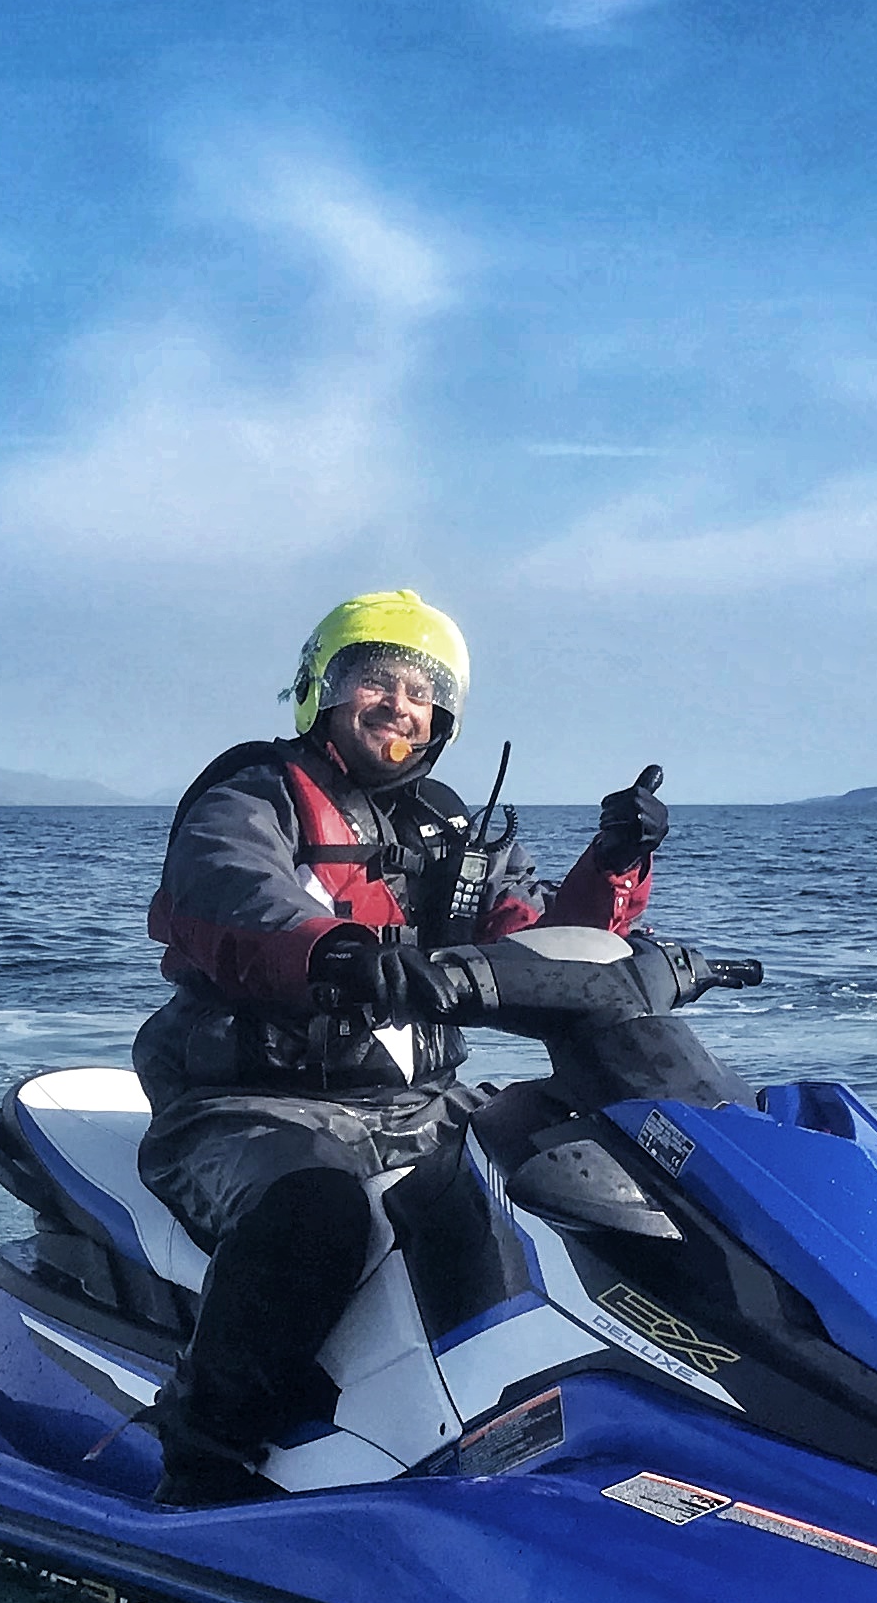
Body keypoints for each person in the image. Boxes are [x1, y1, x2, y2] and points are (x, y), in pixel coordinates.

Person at [133, 589, 669, 1506]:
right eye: (375, 681)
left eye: (422, 693)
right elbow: (229, 894)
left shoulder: (453, 826)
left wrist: (614, 868)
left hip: (416, 1103)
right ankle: (203, 1461)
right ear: (323, 691)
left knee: (589, 1158)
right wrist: (333, 949)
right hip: (251, 1104)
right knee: (315, 1215)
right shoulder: (252, 793)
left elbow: (534, 948)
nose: (399, 706)